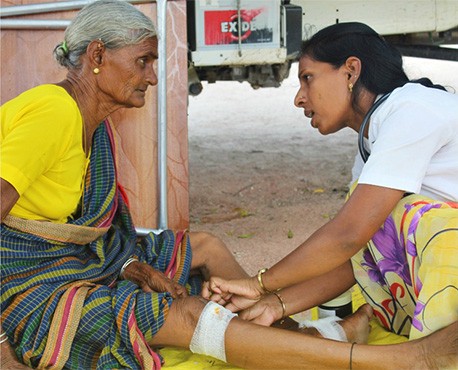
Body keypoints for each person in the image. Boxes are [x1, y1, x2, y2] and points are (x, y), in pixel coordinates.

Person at [0, 3, 456, 367]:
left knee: (207, 252)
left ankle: (293, 344)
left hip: (72, 268)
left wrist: (266, 294)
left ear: (352, 72)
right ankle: (383, 360)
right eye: (143, 61)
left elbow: (350, 243)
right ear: (97, 56)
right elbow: (353, 248)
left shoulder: (406, 115)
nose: (153, 76)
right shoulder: (54, 112)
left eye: (308, 79)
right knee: (188, 314)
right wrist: (268, 295)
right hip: (38, 286)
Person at [203, 19, 458, 358]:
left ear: (351, 71)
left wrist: (259, 283)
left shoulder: (411, 110)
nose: (299, 98)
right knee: (381, 219)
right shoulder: (376, 136)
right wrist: (275, 305)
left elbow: (347, 236)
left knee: (418, 219)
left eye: (307, 78)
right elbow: (357, 254)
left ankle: (433, 355)